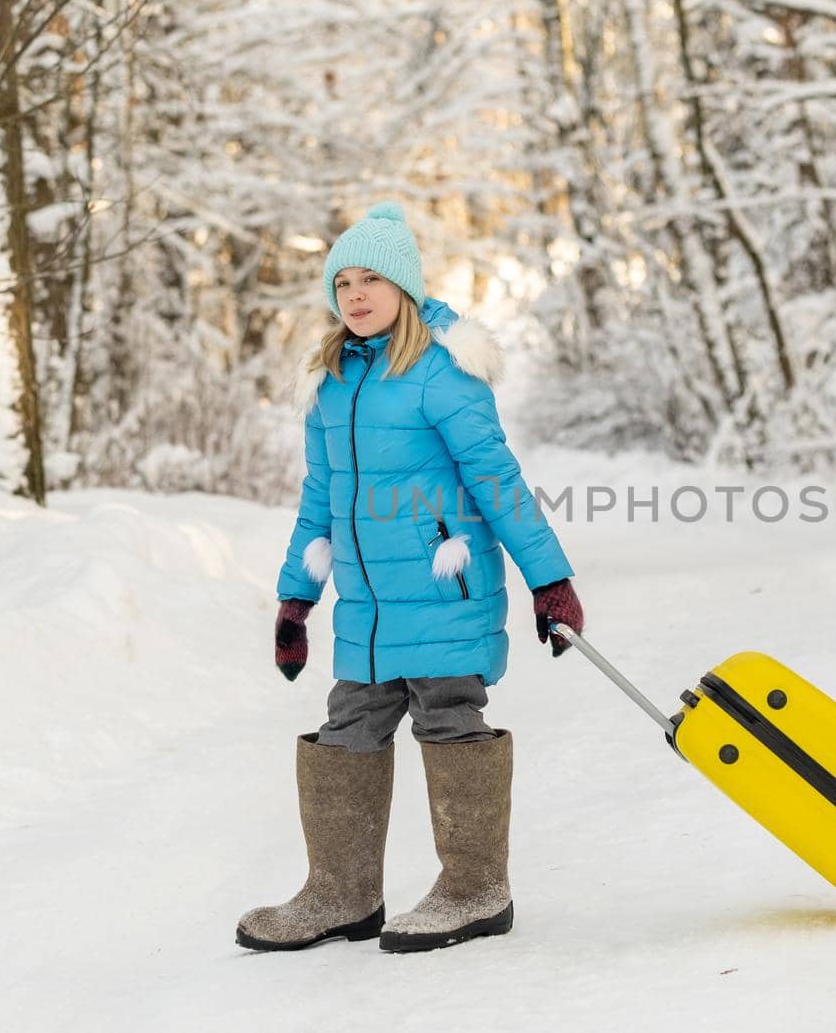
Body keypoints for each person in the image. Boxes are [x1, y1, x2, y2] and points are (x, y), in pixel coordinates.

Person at [236, 201, 586, 955]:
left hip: (441, 593)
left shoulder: (441, 375)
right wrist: (297, 598)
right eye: (343, 282)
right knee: (345, 730)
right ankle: (341, 892)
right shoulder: (329, 383)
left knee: (449, 720)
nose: (355, 294)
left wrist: (548, 580)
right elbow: (320, 500)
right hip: (364, 608)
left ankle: (474, 888)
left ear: (405, 287)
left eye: (372, 279)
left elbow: (498, 480)